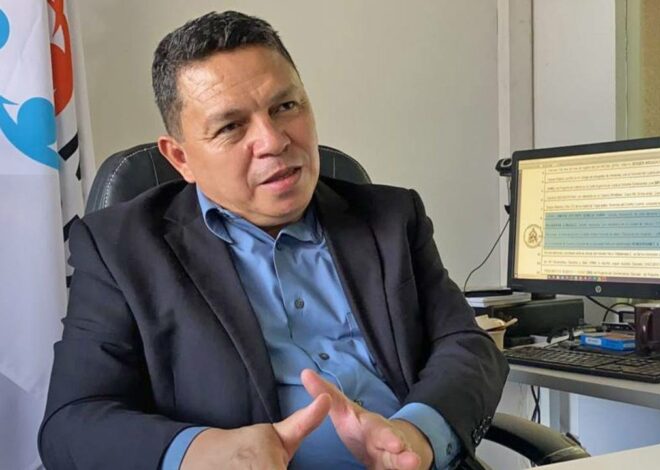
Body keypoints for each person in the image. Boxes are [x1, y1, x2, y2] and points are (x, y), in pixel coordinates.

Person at [39, 11, 508, 470]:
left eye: (285, 107)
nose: (273, 140)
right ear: (181, 158)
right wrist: (200, 452)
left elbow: (465, 344)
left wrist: (417, 433)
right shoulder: (120, 249)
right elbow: (73, 421)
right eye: (230, 126)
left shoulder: (391, 217)